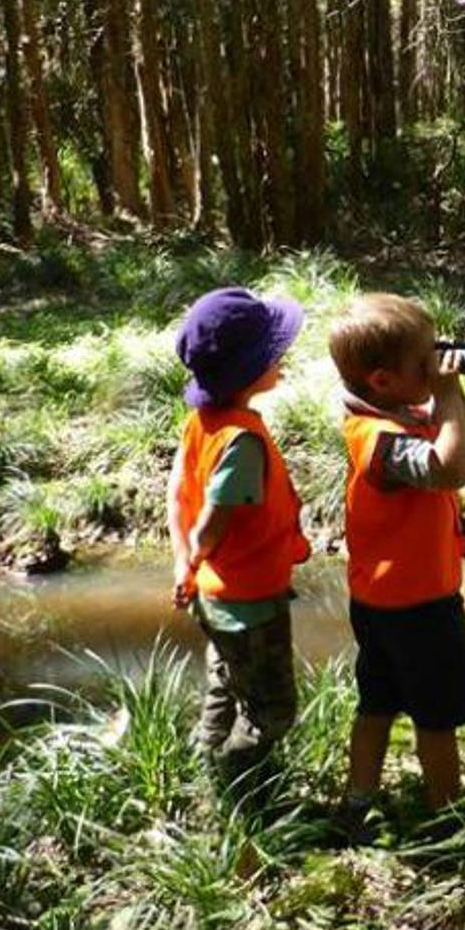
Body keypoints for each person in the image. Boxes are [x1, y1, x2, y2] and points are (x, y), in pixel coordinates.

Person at [328, 293, 465, 840]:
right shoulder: (382, 442)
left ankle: (357, 799)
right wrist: (451, 393)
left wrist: (432, 387)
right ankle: (449, 819)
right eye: (424, 361)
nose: (435, 366)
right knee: (436, 719)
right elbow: (449, 468)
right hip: (418, 606)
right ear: (384, 380)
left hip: (380, 599)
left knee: (378, 703)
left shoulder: (378, 414)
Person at [166, 286, 310, 792]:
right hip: (249, 602)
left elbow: (175, 495)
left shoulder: (202, 424)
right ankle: (234, 783)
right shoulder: (242, 443)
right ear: (249, 372)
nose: (283, 357)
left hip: (212, 593)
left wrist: (184, 564)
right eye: (275, 353)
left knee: (225, 678)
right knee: (274, 711)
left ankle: (204, 760)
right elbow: (211, 519)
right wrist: (197, 551)